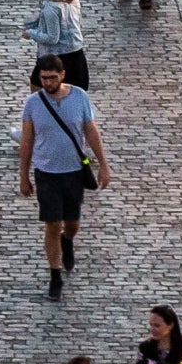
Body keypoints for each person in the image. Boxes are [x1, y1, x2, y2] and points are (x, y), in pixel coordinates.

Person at [15, 55, 106, 300]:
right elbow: (27, 141)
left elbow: (91, 130)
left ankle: (68, 240)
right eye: (44, 78)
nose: (48, 82)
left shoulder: (79, 97)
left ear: (62, 75)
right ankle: (54, 274)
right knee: (52, 224)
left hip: (74, 171)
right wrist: (24, 176)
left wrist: (104, 165)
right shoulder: (33, 103)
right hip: (46, 172)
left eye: (52, 77)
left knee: (72, 223)